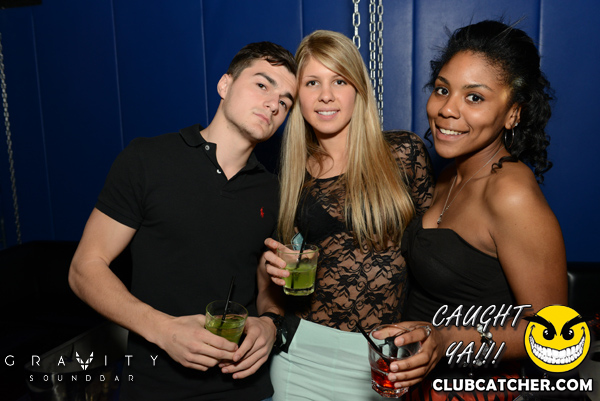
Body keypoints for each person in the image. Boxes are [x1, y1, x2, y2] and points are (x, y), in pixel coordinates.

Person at [68, 41, 297, 401]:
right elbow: (85, 268)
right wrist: (162, 329)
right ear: (225, 84)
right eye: (262, 85)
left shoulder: (274, 191)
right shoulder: (148, 160)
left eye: (285, 102)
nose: (273, 104)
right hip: (156, 387)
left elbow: (267, 283)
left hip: (245, 388)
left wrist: (270, 324)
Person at [388, 20, 567, 400]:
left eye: (474, 97)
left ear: (513, 113)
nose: (446, 109)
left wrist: (445, 339)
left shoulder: (510, 194)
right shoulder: (450, 174)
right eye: (442, 90)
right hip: (417, 383)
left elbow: (554, 333)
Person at [262, 30, 435, 400]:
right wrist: (274, 267)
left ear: (358, 89)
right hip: (300, 356)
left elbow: (436, 255)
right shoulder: (293, 177)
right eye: (312, 82)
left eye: (339, 80)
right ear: (298, 95)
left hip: (383, 358)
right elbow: (272, 275)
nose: (326, 95)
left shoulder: (404, 154)